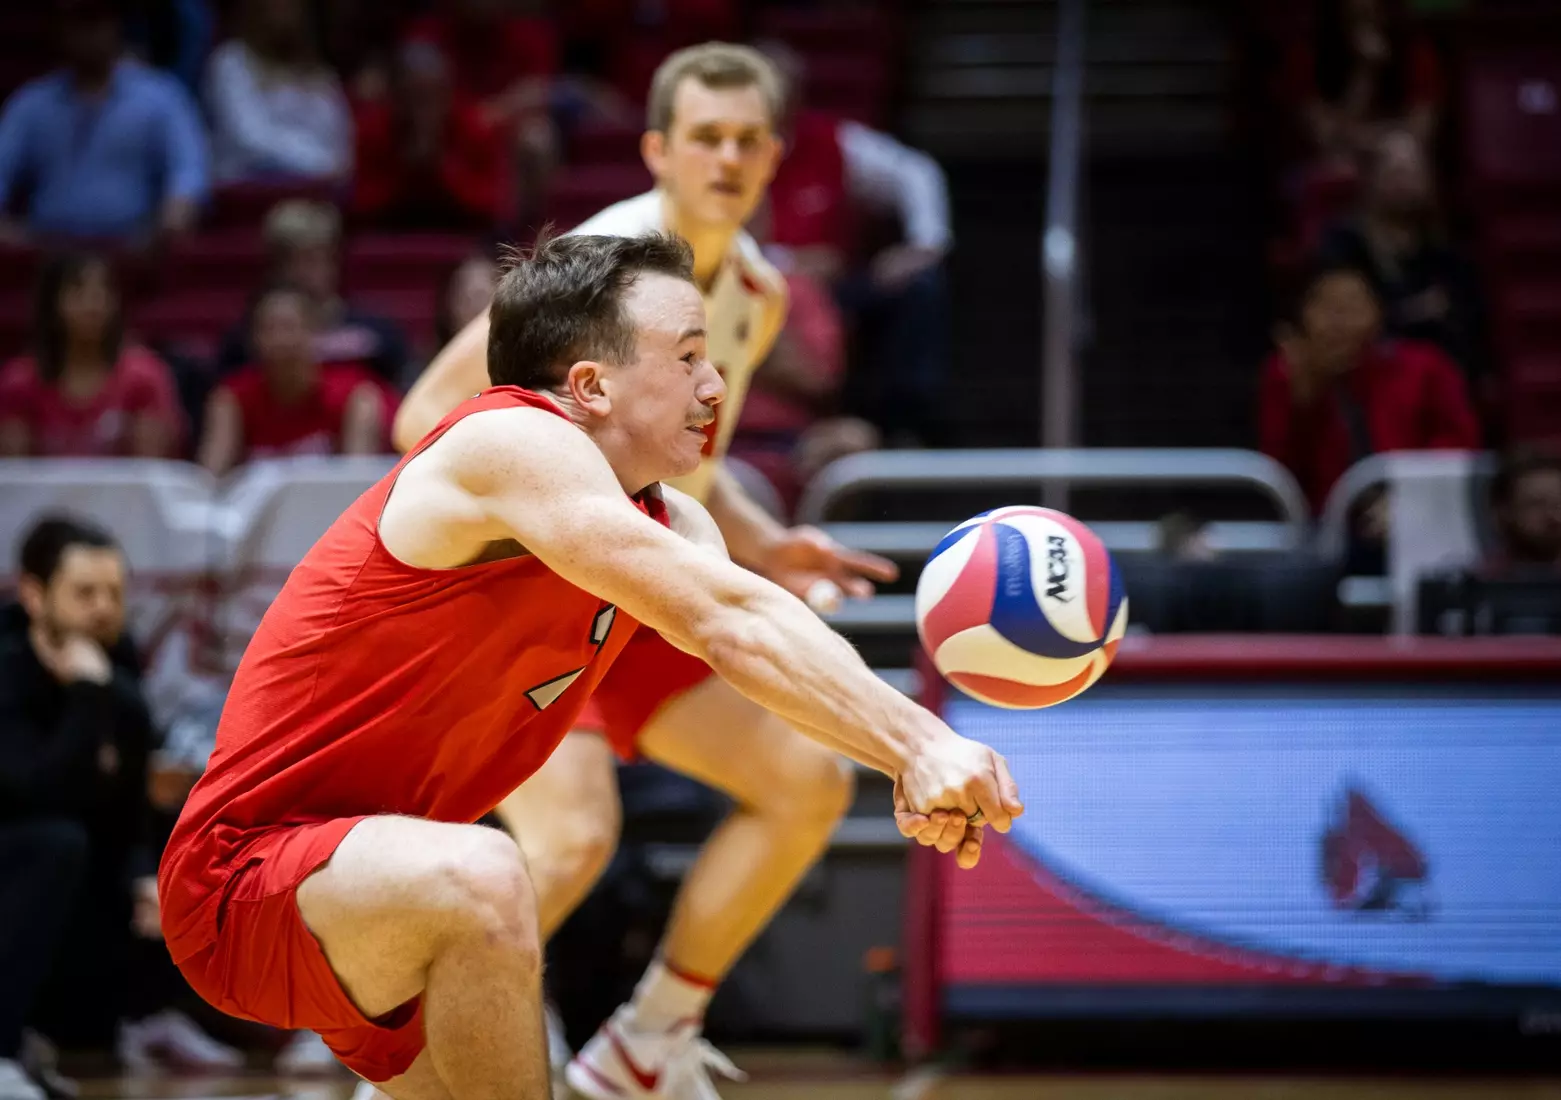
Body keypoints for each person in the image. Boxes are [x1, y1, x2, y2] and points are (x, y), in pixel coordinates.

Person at [158, 232, 1020, 1100]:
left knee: (486, 879)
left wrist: (904, 766)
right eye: (686, 358)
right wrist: (919, 741)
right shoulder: (504, 442)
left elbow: (754, 651)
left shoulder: (670, 523)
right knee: (491, 873)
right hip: (245, 879)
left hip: (376, 896)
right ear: (590, 385)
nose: (714, 387)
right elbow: (735, 618)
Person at [392, 43, 902, 1094]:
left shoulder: (753, 288)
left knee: (805, 780)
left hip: (638, 590)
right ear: (659, 149)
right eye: (704, 137)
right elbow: (420, 415)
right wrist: (541, 524)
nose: (727, 156)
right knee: (574, 841)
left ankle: (648, 1040)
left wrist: (763, 541)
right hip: (537, 588)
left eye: (747, 139)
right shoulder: (594, 263)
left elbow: (685, 465)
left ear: (774, 154)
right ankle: (380, 1043)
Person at [0, 518, 241, 1099]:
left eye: (114, 593)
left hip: (71, 889)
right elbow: (28, 792)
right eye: (84, 594)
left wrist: (141, 875)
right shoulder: (7, 666)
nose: (105, 609)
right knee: (60, 842)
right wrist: (87, 696)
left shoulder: (117, 662)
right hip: (14, 868)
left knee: (183, 839)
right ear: (34, 595)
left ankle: (146, 1018)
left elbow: (127, 799)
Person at [0, 0, 208, 245]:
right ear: (59, 29)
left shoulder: (160, 97)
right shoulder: (31, 104)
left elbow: (188, 169)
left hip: (132, 251)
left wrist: (175, 215)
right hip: (48, 252)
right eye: (78, 22)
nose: (88, 35)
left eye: (97, 21)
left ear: (117, 25)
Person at [0, 253, 185, 458]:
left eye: (103, 291)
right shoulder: (20, 381)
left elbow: (151, 470)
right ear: (51, 302)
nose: (93, 303)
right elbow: (14, 474)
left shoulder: (144, 377)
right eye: (78, 291)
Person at [198, 283, 390, 476]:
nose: (279, 339)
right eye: (268, 329)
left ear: (315, 331)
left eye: (289, 327)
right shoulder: (231, 399)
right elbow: (210, 480)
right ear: (253, 338)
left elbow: (357, 481)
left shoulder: (356, 396)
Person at [216, 200, 411, 386]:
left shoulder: (377, 333)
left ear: (334, 261)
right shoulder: (244, 340)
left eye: (312, 260)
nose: (303, 273)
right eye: (291, 261)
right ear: (274, 268)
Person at [203, 0, 354, 186]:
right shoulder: (230, 63)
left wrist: (328, 166)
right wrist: (321, 163)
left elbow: (340, 144)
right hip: (248, 196)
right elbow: (249, 139)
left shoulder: (320, 73)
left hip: (315, 195)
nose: (285, 7)